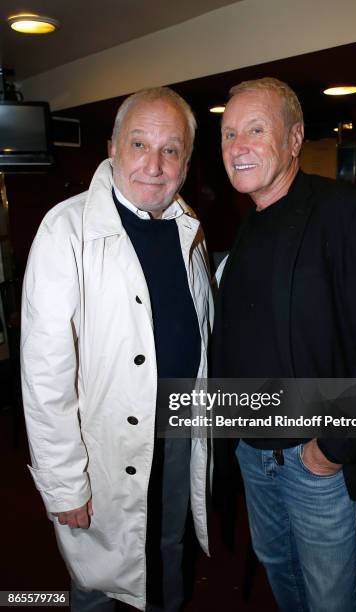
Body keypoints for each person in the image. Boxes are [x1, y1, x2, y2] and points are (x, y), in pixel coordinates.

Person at [211, 77, 356, 612]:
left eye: (256, 129)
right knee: (284, 582)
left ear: (295, 139)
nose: (238, 146)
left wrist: (330, 450)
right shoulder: (246, 228)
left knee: (331, 600)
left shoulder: (345, 212)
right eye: (229, 133)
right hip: (255, 455)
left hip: (314, 459)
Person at [21, 87, 213, 612]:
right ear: (112, 148)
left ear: (186, 160)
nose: (154, 165)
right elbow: (44, 376)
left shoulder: (187, 225)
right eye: (139, 144)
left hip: (176, 427)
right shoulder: (67, 227)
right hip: (101, 441)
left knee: (167, 548)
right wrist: (64, 484)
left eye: (171, 149)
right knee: (96, 574)